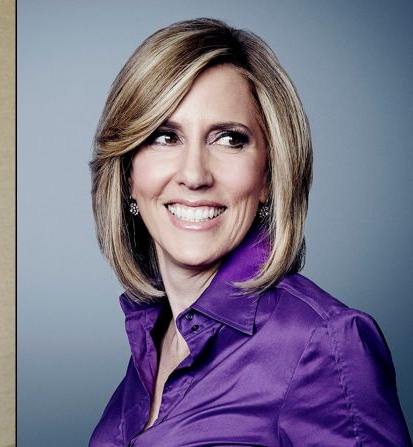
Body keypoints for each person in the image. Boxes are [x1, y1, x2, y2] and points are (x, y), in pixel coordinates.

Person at [88, 18, 411, 446]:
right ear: (129, 174)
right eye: (165, 137)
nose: (194, 174)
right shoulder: (152, 344)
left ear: (267, 176)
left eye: (228, 139)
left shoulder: (325, 345)